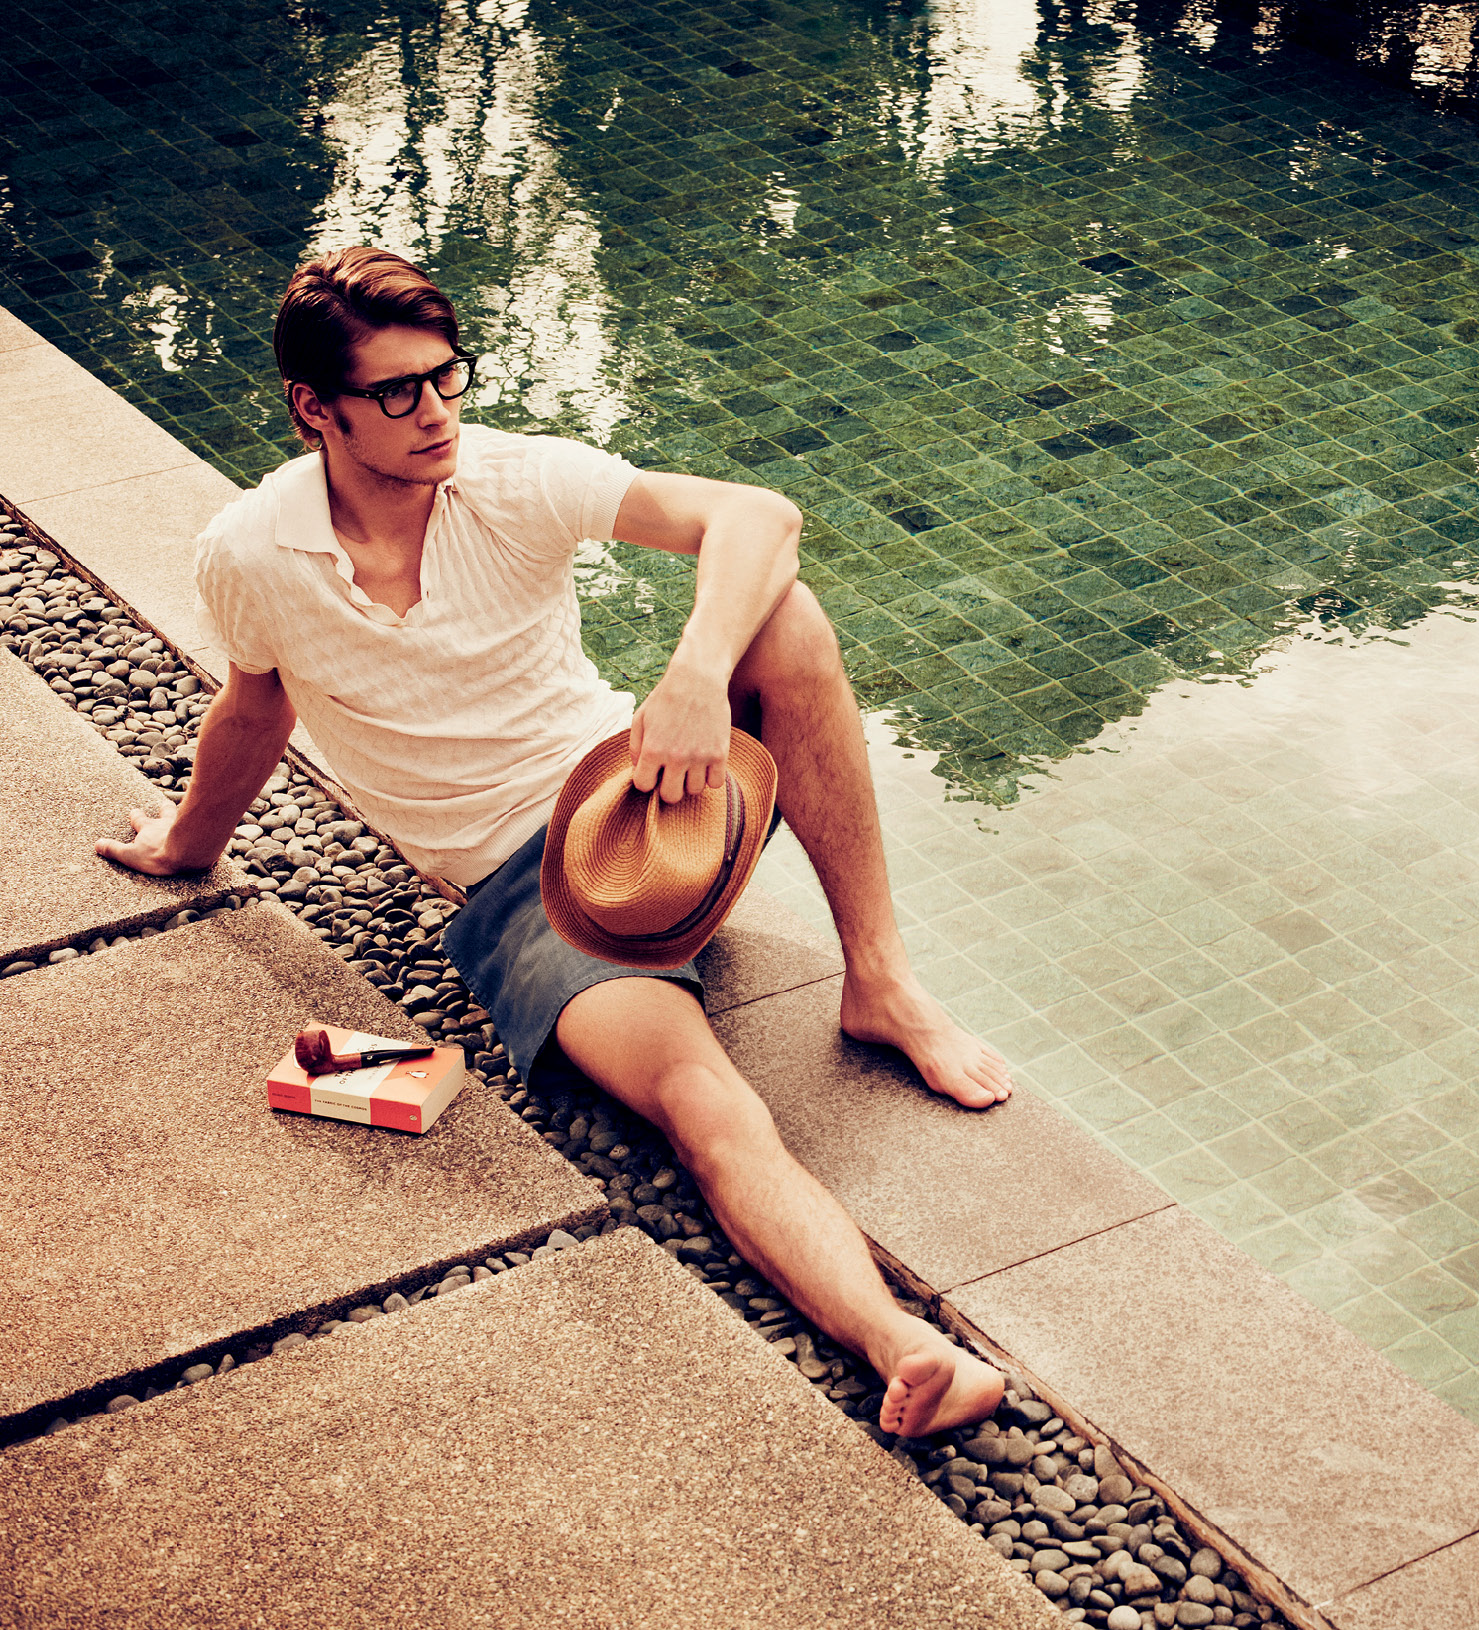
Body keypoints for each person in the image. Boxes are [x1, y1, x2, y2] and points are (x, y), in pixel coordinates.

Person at [99, 245, 1010, 1437]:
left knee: (783, 616)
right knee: (701, 1103)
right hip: (528, 898)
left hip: (648, 800)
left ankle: (878, 982)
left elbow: (758, 515)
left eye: (446, 376)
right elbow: (255, 705)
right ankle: (901, 1347)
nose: (436, 411)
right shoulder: (251, 552)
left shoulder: (508, 476)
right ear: (314, 408)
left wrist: (693, 676)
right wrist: (186, 840)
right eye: (396, 392)